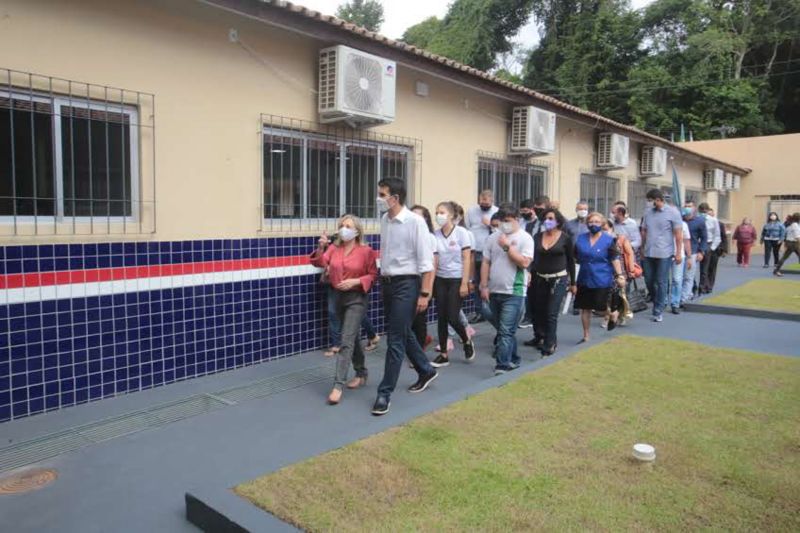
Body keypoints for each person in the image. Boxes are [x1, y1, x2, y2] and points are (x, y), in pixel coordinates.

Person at [372, 179, 438, 416]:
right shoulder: (384, 220)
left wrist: (424, 294)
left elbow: (427, 264)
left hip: (407, 285)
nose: (378, 198)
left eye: (382, 194)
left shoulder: (415, 222)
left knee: (395, 340)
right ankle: (425, 369)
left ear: (395, 198)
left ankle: (384, 393)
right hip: (388, 284)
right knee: (403, 332)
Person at [310, 215, 378, 405]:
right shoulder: (334, 248)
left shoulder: (366, 251)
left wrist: (356, 281)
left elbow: (373, 275)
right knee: (353, 338)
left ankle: (337, 385)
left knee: (345, 340)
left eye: (347, 226)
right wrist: (321, 247)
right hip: (338, 297)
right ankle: (362, 372)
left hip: (356, 298)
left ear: (357, 230)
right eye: (341, 226)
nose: (343, 229)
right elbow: (319, 262)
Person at [480, 205, 534, 375]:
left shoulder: (525, 238)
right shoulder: (492, 238)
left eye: (508, 221)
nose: (504, 225)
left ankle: (501, 365)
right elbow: (486, 262)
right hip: (495, 289)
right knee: (505, 330)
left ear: (517, 220)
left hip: (514, 291)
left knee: (505, 331)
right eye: (502, 221)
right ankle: (514, 358)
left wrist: (506, 246)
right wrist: (484, 285)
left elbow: (524, 262)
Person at [429, 202, 476, 368]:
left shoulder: (462, 233)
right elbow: (434, 262)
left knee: (452, 315)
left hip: (457, 279)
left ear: (450, 215)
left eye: (441, 212)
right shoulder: (435, 235)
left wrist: (466, 282)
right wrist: (430, 285)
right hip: (441, 279)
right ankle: (443, 354)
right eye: (436, 212)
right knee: (441, 317)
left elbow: (466, 258)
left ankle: (466, 339)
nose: (438, 215)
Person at [525, 208, 575, 356]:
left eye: (551, 218)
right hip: (540, 278)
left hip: (559, 278)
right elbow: (532, 257)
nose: (548, 221)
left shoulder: (565, 238)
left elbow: (571, 261)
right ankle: (540, 336)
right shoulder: (537, 237)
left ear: (558, 221)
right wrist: (528, 272)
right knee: (538, 310)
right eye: (546, 218)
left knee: (551, 312)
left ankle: (550, 342)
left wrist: (573, 283)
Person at [574, 213, 626, 342]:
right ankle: (586, 335)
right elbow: (575, 257)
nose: (593, 224)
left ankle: (614, 314)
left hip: (601, 277)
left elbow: (614, 258)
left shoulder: (608, 240)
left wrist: (620, 275)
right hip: (584, 277)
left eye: (597, 222)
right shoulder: (580, 239)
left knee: (600, 308)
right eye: (591, 222)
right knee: (584, 308)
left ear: (602, 224)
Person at [641, 189, 683, 322]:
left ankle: (658, 309)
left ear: (658, 199)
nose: (649, 203)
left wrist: (678, 253)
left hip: (664, 253)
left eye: (650, 200)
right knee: (648, 280)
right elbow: (644, 231)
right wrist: (641, 248)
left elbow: (678, 235)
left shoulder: (673, 212)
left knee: (661, 281)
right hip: (648, 252)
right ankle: (658, 300)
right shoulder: (647, 212)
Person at [466, 190, 498, 323]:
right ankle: (479, 311)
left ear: (492, 201)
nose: (483, 204)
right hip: (475, 250)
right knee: (476, 281)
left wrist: (489, 225)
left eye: (486, 202)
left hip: (490, 252)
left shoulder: (496, 212)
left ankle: (490, 310)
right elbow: (468, 228)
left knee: (488, 281)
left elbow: (500, 231)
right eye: (481, 201)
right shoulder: (471, 211)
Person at [410, 205, 437, 352]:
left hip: (423, 282)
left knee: (419, 319)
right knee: (410, 319)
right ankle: (422, 340)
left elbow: (432, 265)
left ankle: (419, 351)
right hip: (409, 281)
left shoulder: (429, 237)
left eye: (418, 216)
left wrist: (428, 290)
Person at [681, 202, 708, 304]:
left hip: (692, 252)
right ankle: (688, 293)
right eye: (686, 206)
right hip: (679, 251)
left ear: (694, 208)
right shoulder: (680, 219)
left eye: (689, 206)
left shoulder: (700, 221)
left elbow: (704, 237)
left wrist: (701, 252)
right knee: (679, 277)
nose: (687, 208)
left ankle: (684, 298)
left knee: (688, 276)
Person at [669, 216, 694, 315]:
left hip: (679, 255)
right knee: (663, 280)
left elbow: (686, 241)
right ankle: (663, 301)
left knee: (677, 279)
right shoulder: (665, 224)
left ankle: (675, 303)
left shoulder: (683, 225)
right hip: (665, 254)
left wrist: (689, 257)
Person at [698, 202, 722, 294]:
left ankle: (704, 286)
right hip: (698, 243)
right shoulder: (697, 219)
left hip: (708, 244)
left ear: (708, 210)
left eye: (705, 210)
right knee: (701, 268)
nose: (703, 212)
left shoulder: (713, 220)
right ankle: (700, 286)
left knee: (706, 268)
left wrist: (712, 248)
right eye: (701, 211)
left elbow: (717, 235)